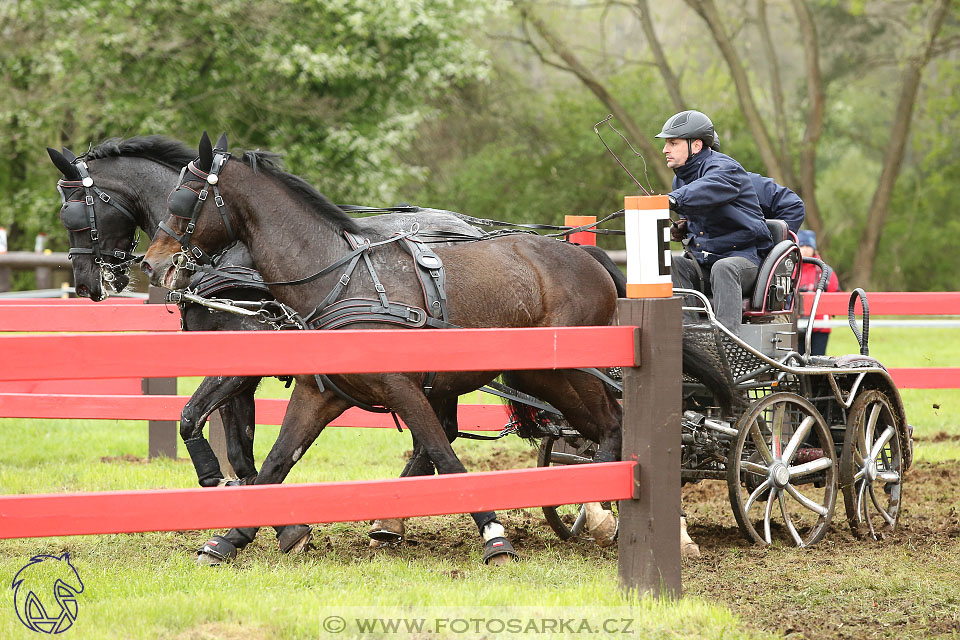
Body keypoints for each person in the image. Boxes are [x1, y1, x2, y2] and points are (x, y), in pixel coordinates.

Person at [658, 110, 773, 336]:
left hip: (743, 262)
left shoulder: (724, 168)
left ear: (696, 146)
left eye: (673, 143)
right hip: (705, 263)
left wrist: (673, 199)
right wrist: (685, 225)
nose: (665, 150)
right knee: (671, 263)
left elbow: (709, 187)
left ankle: (726, 343)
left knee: (724, 267)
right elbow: (704, 213)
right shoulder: (680, 177)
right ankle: (688, 338)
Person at [797, 230, 840, 355]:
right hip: (796, 325)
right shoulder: (790, 269)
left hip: (820, 327)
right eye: (802, 246)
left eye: (808, 246)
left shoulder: (826, 271)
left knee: (819, 362)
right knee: (795, 363)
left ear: (814, 248)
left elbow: (837, 299)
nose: (805, 250)